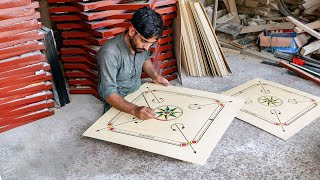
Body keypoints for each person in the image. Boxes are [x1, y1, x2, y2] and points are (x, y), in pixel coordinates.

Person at [97, 7, 169, 120]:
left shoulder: (141, 46)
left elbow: (145, 59)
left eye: (151, 43)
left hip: (138, 92)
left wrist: (155, 76)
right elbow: (109, 93)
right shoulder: (109, 52)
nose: (147, 47)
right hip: (118, 101)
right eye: (144, 41)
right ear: (132, 31)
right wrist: (135, 110)